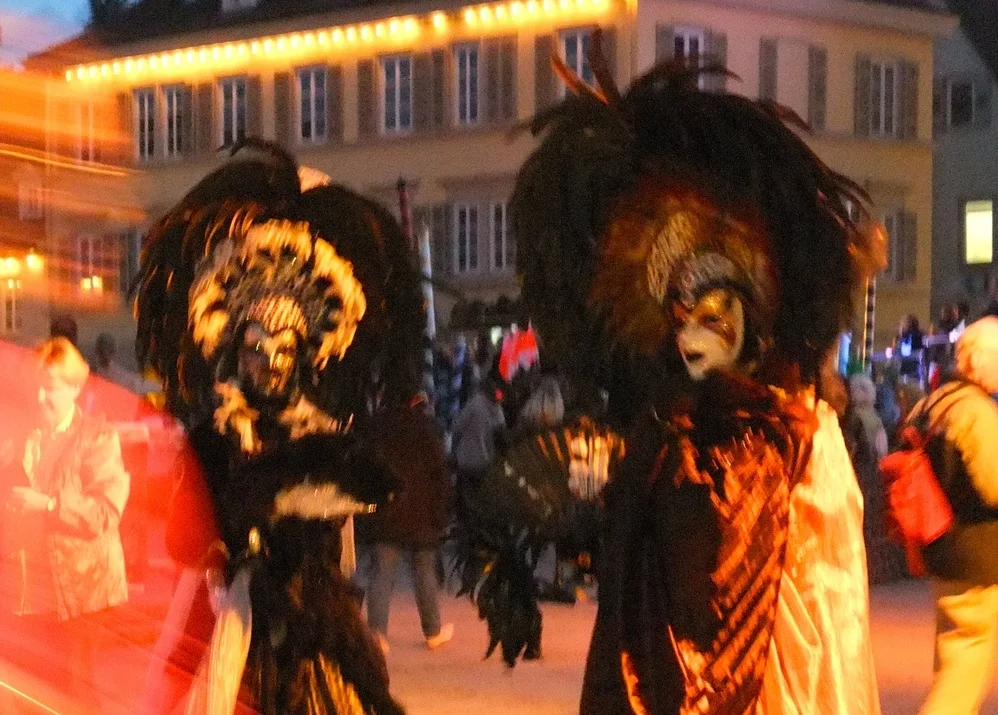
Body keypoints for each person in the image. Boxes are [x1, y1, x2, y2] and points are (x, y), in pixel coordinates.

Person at [462, 38, 881, 711]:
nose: (691, 336)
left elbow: (725, 586)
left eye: (713, 317)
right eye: (680, 317)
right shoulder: (675, 423)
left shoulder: (782, 436)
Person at [134, 140, 421, 715]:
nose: (267, 365)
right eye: (254, 351)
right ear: (233, 350)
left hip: (315, 624)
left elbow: (347, 526)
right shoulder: (214, 432)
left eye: (281, 351)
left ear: (304, 355)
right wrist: (227, 542)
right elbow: (183, 536)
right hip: (233, 619)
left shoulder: (323, 434)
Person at [0, 337, 130, 712]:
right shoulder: (24, 435)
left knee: (74, 694)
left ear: (75, 387)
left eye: (51, 389)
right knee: (32, 693)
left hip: (82, 595)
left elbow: (105, 513)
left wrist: (51, 504)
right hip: (30, 591)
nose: (40, 398)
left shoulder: (98, 437)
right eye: (36, 387)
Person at [915, 317, 998, 714]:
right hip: (977, 559)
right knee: (964, 671)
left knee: (953, 663)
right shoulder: (976, 411)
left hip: (941, 547)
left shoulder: (934, 401)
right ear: (984, 362)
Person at [365, 393, 454, 653]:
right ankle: (433, 630)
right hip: (421, 514)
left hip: (388, 511)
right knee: (424, 571)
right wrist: (440, 514)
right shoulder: (426, 429)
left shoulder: (380, 427)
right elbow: (440, 474)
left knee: (382, 573)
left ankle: (377, 634)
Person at [451, 375, 506, 523]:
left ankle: (462, 523)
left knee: (462, 495)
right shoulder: (498, 410)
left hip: (467, 458)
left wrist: (453, 451)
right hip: (486, 461)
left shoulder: (475, 404)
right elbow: (500, 435)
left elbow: (457, 426)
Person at [895, 314, 925, 383]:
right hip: (919, 369)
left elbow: (904, 353)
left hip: (907, 369)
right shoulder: (921, 335)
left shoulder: (905, 337)